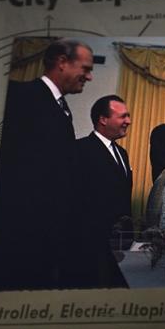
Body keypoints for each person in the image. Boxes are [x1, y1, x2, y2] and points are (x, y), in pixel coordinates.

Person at [0, 39, 94, 291]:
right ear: (62, 63)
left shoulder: (62, 108)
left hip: (47, 233)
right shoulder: (20, 96)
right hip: (21, 233)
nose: (89, 77)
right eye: (85, 69)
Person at [64, 95, 132, 289]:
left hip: (119, 244)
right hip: (88, 245)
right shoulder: (80, 149)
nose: (128, 121)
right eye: (123, 116)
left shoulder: (123, 154)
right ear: (103, 119)